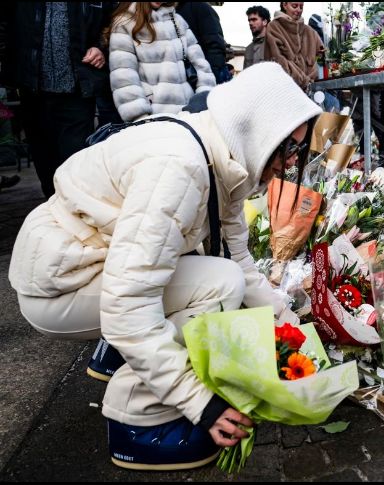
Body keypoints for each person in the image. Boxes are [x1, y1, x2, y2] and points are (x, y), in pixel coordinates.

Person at [8, 62, 321, 470]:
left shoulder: (221, 153)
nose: (290, 162)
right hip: (61, 285)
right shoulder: (181, 169)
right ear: (256, 128)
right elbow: (127, 305)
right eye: (288, 147)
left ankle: (120, 357)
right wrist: (200, 403)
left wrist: (291, 324)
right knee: (219, 285)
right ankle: (135, 416)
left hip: (83, 260)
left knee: (216, 272)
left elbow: (239, 258)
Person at [1, 2, 113, 198]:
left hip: (76, 91)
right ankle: (54, 209)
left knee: (75, 161)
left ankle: (74, 208)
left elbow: (114, 21)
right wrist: (10, 63)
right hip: (32, 90)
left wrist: (100, 47)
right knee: (45, 161)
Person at [109, 2, 216, 122]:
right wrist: (140, 117)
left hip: (190, 115)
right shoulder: (125, 23)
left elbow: (201, 66)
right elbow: (124, 77)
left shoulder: (177, 20)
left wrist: (202, 100)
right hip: (154, 118)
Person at [264, 2, 323, 90]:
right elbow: (278, 61)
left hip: (311, 91)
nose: (298, 10)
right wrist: (303, 81)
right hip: (286, 90)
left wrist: (313, 75)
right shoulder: (274, 27)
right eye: (294, 6)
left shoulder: (310, 31)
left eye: (301, 7)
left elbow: (323, 56)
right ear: (285, 5)